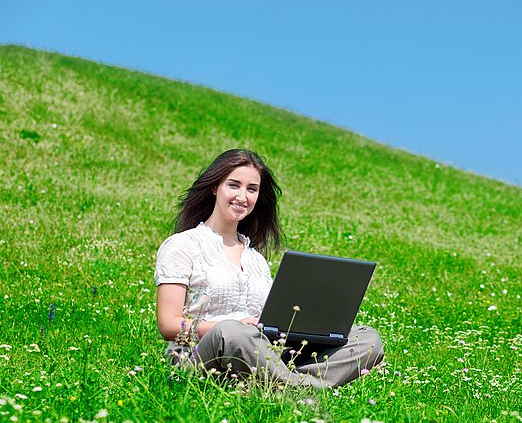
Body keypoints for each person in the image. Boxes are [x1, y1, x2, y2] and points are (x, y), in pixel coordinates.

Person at [154, 148, 384, 389]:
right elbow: (169, 325)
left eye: (252, 189)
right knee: (231, 332)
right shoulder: (183, 245)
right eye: (234, 185)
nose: (242, 196)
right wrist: (232, 326)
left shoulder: (256, 260)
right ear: (215, 187)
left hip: (260, 352)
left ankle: (282, 385)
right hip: (202, 358)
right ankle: (296, 390)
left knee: (366, 339)